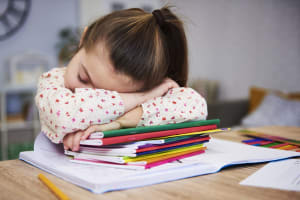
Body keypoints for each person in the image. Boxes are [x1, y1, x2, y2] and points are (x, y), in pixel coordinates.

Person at [35, 7, 207, 152]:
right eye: (83, 77)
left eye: (107, 93)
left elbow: (196, 106)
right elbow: (63, 115)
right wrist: (139, 98)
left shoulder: (149, 88)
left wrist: (118, 123)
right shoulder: (53, 79)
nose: (86, 93)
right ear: (83, 39)